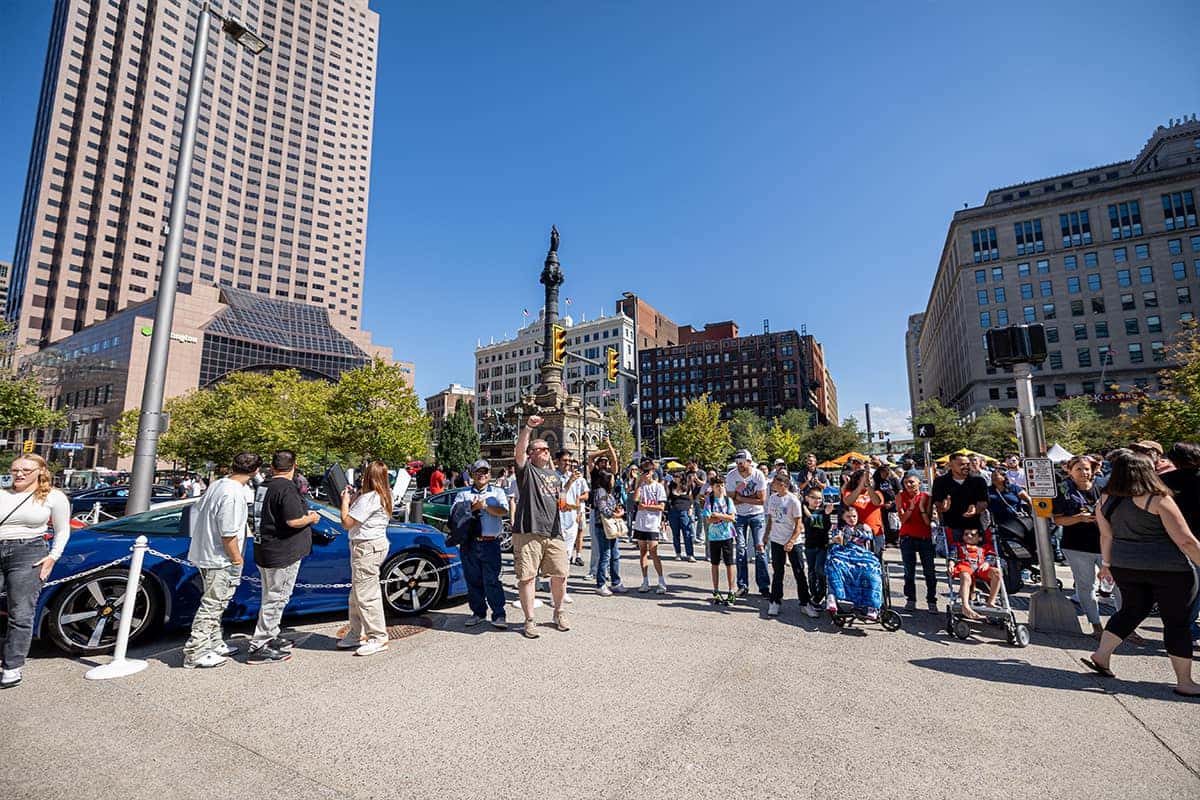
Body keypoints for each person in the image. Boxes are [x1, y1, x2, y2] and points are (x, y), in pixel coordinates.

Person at [1083, 449, 1200, 697]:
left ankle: (1101, 656)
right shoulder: (1158, 499)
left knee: (1131, 610)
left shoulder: (1105, 500)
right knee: (1177, 622)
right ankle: (1185, 681)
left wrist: (1106, 563)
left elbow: (1106, 535)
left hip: (1124, 566)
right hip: (1170, 570)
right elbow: (1185, 541)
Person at [182, 452, 263, 669]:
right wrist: (238, 560)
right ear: (255, 471)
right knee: (213, 605)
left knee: (216, 603)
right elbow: (228, 533)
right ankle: (196, 651)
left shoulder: (218, 485)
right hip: (220, 558)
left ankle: (214, 642)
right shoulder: (234, 493)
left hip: (206, 552)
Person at [0, 455, 71, 688]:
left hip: (28, 552)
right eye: (15, 469)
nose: (19, 474)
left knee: (20, 612)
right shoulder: (3, 492)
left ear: (41, 471)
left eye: (26, 470)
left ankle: (12, 666)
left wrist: (53, 557)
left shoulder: (53, 496)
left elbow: (62, 530)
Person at [248, 450, 321, 664]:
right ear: (294, 465)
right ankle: (260, 644)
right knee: (277, 598)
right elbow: (292, 520)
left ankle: (270, 635)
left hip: (266, 548)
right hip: (283, 552)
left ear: (272, 467)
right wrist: (311, 518)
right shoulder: (286, 488)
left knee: (270, 595)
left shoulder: (265, 486)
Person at [512, 415, 570, 638]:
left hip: (554, 533)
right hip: (529, 532)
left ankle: (559, 612)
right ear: (532, 454)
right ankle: (529, 620)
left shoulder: (555, 476)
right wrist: (528, 428)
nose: (546, 451)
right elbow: (519, 450)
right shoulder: (526, 471)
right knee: (527, 577)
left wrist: (565, 498)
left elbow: (560, 500)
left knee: (560, 574)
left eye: (547, 449)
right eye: (541, 449)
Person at [336, 460, 395, 656]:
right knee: (357, 595)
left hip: (366, 548)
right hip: (371, 546)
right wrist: (354, 499)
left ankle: (378, 637)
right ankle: (356, 633)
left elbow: (347, 522)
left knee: (366, 596)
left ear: (369, 476)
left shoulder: (370, 498)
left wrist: (344, 502)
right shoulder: (382, 495)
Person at [1053, 455, 1111, 638]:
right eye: (1078, 469)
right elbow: (1058, 519)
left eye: (1087, 468)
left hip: (1105, 544)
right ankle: (1096, 626)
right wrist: (1078, 519)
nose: (1084, 473)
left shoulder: (1103, 487)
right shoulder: (1063, 489)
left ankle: (1124, 627)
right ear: (1069, 471)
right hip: (1077, 546)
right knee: (1086, 587)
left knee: (1116, 585)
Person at [451, 460, 510, 628]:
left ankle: (499, 614)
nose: (482, 475)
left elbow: (503, 511)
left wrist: (485, 506)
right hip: (470, 543)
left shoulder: (497, 493)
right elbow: (455, 515)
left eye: (485, 472)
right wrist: (472, 508)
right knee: (473, 580)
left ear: (490, 475)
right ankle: (478, 612)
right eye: (478, 472)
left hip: (490, 543)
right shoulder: (463, 494)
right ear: (472, 474)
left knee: (492, 580)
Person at [1161, 443, 1200, 640]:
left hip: (1170, 540)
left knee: (1185, 589)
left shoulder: (1162, 481)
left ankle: (1185, 626)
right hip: (1195, 541)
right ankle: (1186, 627)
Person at [764, 474, 817, 618]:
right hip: (776, 540)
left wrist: (791, 541)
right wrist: (765, 536)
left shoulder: (793, 500)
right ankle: (775, 601)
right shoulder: (772, 498)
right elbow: (770, 519)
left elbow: (799, 525)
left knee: (799, 572)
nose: (772, 484)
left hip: (794, 542)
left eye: (775, 482)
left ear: (783, 485)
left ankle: (805, 603)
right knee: (778, 572)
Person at [824, 507, 884, 619]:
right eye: (848, 516)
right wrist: (837, 539)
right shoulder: (838, 528)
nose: (852, 519)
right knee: (835, 564)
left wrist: (853, 534)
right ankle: (832, 597)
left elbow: (869, 536)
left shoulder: (864, 527)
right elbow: (834, 540)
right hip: (844, 554)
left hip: (862, 555)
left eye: (854, 516)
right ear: (843, 517)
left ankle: (872, 607)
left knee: (871, 571)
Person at [726, 450, 769, 598]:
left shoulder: (758, 475)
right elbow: (731, 500)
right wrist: (751, 496)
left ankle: (764, 586)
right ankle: (742, 585)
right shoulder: (732, 476)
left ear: (749, 462)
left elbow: (762, 500)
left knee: (760, 548)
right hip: (739, 515)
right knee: (740, 550)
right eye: (737, 463)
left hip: (757, 514)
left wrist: (741, 497)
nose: (739, 466)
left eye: (742, 463)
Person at [589, 441, 625, 596]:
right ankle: (601, 583)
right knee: (605, 554)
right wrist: (604, 450)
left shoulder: (609, 489)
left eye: (606, 461)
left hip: (610, 523)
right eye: (602, 461)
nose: (605, 463)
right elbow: (603, 509)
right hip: (601, 523)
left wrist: (610, 448)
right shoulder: (598, 485)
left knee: (614, 554)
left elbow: (615, 461)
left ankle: (616, 582)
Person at [897, 473, 937, 612]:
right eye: (906, 483)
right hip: (907, 537)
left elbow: (928, 522)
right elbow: (902, 519)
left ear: (919, 483)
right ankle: (911, 599)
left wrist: (920, 508)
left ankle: (932, 600)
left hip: (924, 537)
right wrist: (911, 507)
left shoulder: (926, 497)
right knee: (909, 571)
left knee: (929, 571)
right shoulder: (900, 496)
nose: (908, 485)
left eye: (912, 482)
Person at [931, 453, 989, 545]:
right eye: (961, 464)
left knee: (976, 556)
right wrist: (943, 507)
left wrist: (976, 510)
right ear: (951, 465)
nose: (966, 467)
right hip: (951, 526)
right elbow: (937, 503)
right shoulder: (940, 482)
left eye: (967, 464)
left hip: (973, 527)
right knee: (954, 557)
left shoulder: (978, 481)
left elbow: (984, 502)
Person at [632, 459, 668, 594]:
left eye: (647, 472)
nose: (645, 474)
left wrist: (646, 506)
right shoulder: (641, 486)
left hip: (652, 524)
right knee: (642, 552)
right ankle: (645, 580)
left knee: (654, 552)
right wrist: (639, 483)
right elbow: (635, 499)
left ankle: (661, 581)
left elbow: (661, 507)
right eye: (643, 472)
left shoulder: (658, 487)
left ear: (652, 472)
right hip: (640, 523)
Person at [952, 526, 1001, 619]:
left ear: (980, 538)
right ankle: (965, 606)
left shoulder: (984, 548)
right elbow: (952, 556)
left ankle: (991, 602)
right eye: (966, 534)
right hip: (965, 567)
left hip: (980, 567)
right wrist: (950, 564)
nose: (969, 536)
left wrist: (987, 563)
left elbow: (991, 556)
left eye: (973, 535)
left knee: (997, 572)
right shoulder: (958, 546)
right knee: (965, 576)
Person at [703, 478, 738, 605]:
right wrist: (722, 517)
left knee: (729, 564)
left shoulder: (728, 500)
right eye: (718, 486)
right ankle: (716, 590)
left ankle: (731, 591)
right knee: (715, 564)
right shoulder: (709, 501)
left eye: (722, 485)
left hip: (727, 536)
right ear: (712, 487)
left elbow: (732, 518)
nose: (721, 488)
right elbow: (708, 520)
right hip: (714, 537)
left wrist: (718, 515)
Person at [801, 487, 834, 612]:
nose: (817, 500)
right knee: (811, 571)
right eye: (814, 497)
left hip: (822, 545)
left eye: (819, 498)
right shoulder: (804, 510)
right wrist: (804, 507)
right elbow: (808, 523)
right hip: (809, 545)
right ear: (807, 498)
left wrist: (826, 514)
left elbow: (826, 527)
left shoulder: (823, 511)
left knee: (819, 570)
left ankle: (820, 595)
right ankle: (813, 595)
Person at [555, 450, 588, 570]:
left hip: (572, 519)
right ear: (557, 461)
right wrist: (569, 482)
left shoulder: (576, 478)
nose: (568, 463)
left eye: (569, 460)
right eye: (565, 460)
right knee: (557, 554)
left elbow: (578, 497)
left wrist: (579, 513)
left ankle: (563, 583)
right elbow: (560, 498)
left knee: (568, 553)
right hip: (557, 520)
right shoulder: (552, 477)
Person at [842, 464, 885, 555]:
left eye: (871, 478)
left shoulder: (877, 492)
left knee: (876, 560)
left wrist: (868, 487)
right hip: (857, 533)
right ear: (858, 480)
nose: (869, 480)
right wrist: (860, 486)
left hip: (876, 532)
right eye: (866, 478)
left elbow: (877, 502)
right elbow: (848, 502)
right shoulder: (849, 492)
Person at [667, 468, 697, 562]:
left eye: (677, 476)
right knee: (675, 534)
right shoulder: (671, 486)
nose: (675, 478)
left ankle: (690, 554)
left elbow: (691, 499)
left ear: (681, 477)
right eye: (674, 476)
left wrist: (691, 508)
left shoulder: (687, 486)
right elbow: (667, 497)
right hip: (673, 511)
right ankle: (678, 553)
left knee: (687, 533)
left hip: (684, 511)